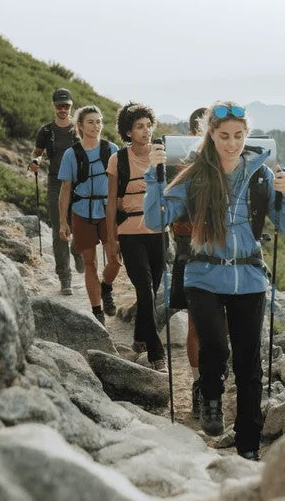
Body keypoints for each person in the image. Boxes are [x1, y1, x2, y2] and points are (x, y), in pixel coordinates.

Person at [145, 101, 285, 461]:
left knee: (249, 365)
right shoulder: (194, 174)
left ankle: (248, 444)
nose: (232, 143)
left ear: (247, 135)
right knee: (214, 345)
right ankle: (210, 396)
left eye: (239, 135)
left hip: (249, 278)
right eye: (224, 135)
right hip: (203, 275)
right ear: (210, 135)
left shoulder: (262, 175)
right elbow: (157, 219)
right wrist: (153, 177)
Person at [107, 102, 167, 373]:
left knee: (150, 292)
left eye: (148, 125)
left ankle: (140, 337)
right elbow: (111, 204)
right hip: (130, 234)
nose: (146, 131)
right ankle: (156, 352)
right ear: (128, 132)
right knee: (144, 289)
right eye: (139, 127)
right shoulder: (118, 159)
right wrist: (111, 240)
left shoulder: (161, 156)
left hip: (159, 234)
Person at [56, 106, 121, 323]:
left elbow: (120, 184)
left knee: (115, 258)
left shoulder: (111, 149)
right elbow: (65, 189)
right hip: (81, 211)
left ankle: (107, 287)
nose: (96, 126)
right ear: (80, 126)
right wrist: (63, 222)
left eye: (99, 121)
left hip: (107, 211)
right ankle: (97, 312)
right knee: (90, 263)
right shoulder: (71, 154)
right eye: (91, 122)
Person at [168, 107, 207, 415]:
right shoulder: (181, 164)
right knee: (195, 322)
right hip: (190, 247)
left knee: (222, 323)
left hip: (222, 250)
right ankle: (199, 384)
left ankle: (210, 380)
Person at [29, 88, 83, 295]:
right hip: (55, 183)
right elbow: (38, 153)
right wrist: (35, 161)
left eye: (66, 106)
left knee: (78, 224)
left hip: (78, 184)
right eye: (59, 106)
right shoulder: (46, 131)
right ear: (53, 106)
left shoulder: (78, 129)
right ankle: (65, 277)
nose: (63, 109)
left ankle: (77, 250)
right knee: (59, 229)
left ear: (71, 106)